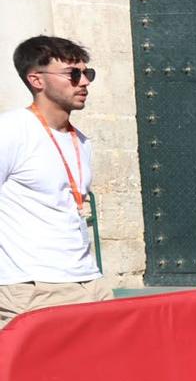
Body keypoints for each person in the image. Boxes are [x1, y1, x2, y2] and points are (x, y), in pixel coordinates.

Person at [0, 36, 112, 330]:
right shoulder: (11, 131)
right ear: (36, 80)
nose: (84, 82)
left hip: (90, 282)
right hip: (33, 288)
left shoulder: (81, 141)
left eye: (87, 73)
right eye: (73, 74)